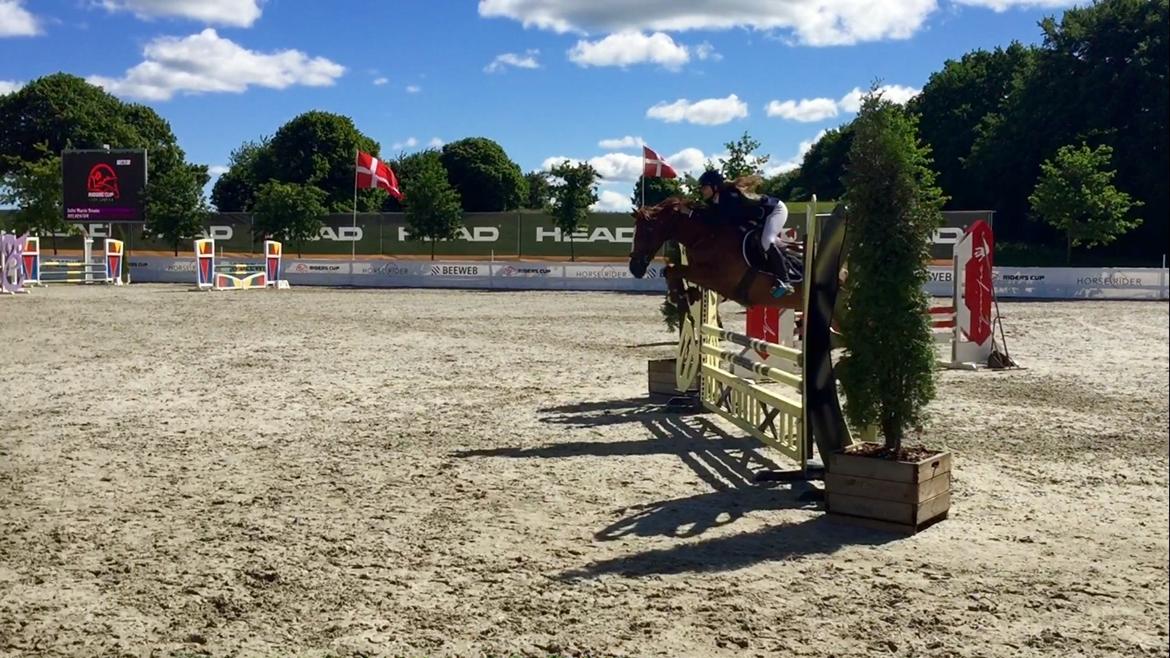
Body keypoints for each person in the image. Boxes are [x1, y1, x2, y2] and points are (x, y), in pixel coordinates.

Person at [696, 169, 798, 298]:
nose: (702, 191)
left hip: (774, 211)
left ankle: (785, 281)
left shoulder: (729, 197)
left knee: (767, 241)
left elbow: (719, 220)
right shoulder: (716, 200)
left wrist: (691, 213)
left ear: (715, 187)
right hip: (760, 218)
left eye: (704, 187)